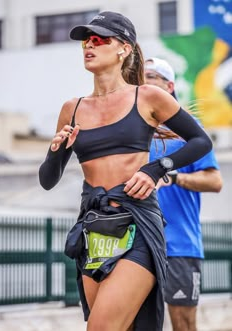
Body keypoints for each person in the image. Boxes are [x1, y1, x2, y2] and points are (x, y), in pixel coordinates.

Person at [39, 11, 213, 331]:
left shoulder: (147, 97)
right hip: (94, 228)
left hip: (137, 225)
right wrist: (54, 152)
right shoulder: (72, 108)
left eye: (100, 39)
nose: (90, 46)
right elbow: (48, 180)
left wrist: (156, 169)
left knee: (102, 328)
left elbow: (201, 141)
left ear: (124, 48)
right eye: (86, 42)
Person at [145, 57, 223, 331]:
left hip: (179, 245)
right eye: (142, 76)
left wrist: (174, 176)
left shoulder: (187, 132)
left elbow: (215, 181)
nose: (145, 80)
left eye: (152, 76)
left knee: (183, 325)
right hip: (138, 245)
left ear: (169, 86)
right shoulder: (137, 132)